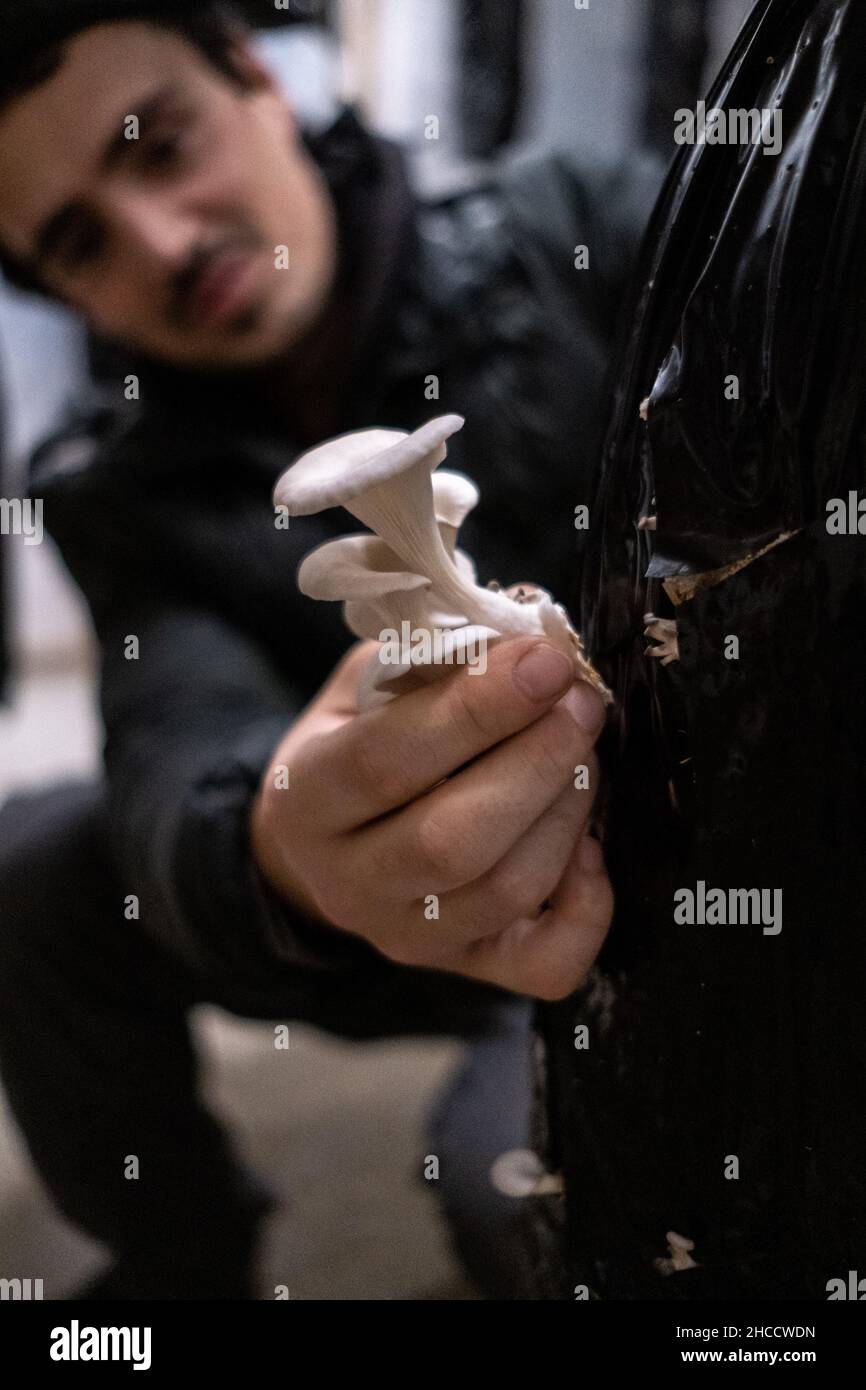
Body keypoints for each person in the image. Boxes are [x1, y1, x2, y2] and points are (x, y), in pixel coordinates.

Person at [0, 2, 660, 1298]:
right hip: (408, 919)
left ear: (253, 73)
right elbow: (173, 740)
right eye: (80, 243)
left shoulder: (567, 226)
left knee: (514, 1194)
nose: (165, 241)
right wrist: (275, 847)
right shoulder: (120, 490)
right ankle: (176, 1251)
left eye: (158, 143)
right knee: (32, 867)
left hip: (688, 877)